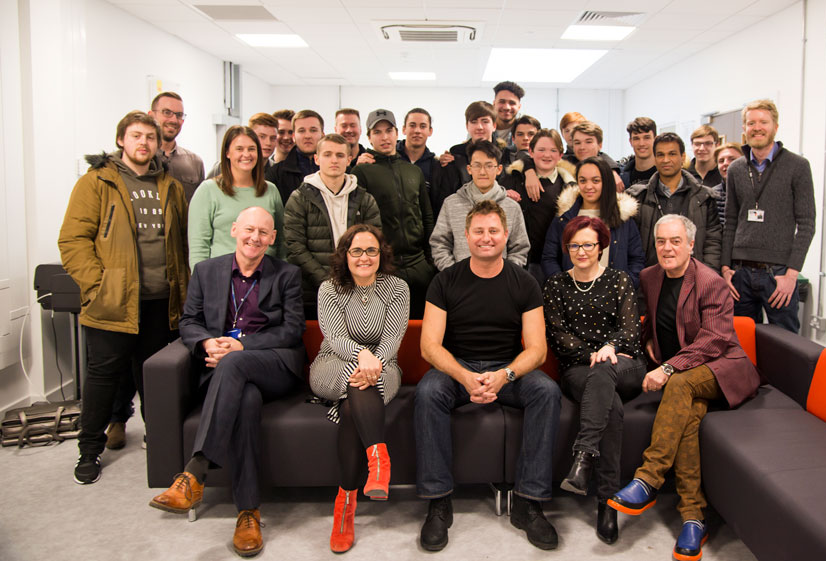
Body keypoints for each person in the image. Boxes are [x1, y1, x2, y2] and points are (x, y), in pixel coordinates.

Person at [149, 206, 305, 558]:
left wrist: (241, 345)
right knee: (246, 399)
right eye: (249, 229)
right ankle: (248, 512)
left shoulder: (287, 275)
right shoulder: (207, 271)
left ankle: (194, 473)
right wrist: (206, 342)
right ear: (235, 229)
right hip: (222, 368)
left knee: (236, 364)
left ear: (273, 239)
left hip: (274, 366)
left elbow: (292, 330)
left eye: (264, 233)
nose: (255, 238)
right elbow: (188, 320)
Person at [608, 214, 760, 561]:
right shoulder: (649, 276)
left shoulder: (710, 282)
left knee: (679, 384)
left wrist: (667, 366)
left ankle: (648, 479)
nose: (667, 248)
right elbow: (651, 318)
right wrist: (648, 342)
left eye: (676, 241)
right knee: (687, 418)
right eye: (661, 241)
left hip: (721, 367)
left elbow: (715, 339)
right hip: (684, 380)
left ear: (691, 245)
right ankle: (694, 517)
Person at [415, 200, 561, 551]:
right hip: (457, 367)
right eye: (478, 231)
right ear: (466, 236)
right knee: (427, 393)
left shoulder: (524, 282)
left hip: (507, 369)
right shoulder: (445, 281)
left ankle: (529, 502)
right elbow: (429, 346)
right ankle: (439, 502)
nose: (486, 237)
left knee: (547, 392)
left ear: (506, 235)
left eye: (493, 230)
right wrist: (464, 375)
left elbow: (537, 349)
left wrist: (505, 374)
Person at [59, 110, 189, 484]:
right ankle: (89, 450)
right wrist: (97, 285)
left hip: (160, 301)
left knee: (154, 377)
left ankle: (160, 441)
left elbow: (179, 243)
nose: (144, 143)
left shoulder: (170, 186)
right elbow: (73, 239)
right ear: (121, 140)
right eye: (136, 136)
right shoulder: (97, 182)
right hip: (112, 302)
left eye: (149, 137)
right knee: (103, 378)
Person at [543, 216, 645, 544]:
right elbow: (557, 334)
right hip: (577, 369)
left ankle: (584, 455)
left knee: (605, 371)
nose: (582, 251)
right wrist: (591, 354)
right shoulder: (556, 284)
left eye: (589, 244)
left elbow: (630, 332)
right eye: (575, 245)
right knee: (610, 406)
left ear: (601, 246)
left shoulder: (619, 280)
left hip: (624, 365)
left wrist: (607, 349)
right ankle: (607, 501)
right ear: (567, 248)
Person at [309, 225, 410, 553]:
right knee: (358, 384)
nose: (364, 257)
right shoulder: (329, 288)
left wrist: (374, 361)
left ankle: (345, 507)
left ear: (381, 255)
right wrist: (361, 356)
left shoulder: (397, 288)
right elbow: (334, 336)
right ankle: (378, 460)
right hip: (333, 363)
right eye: (357, 251)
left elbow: (393, 340)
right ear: (345, 255)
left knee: (354, 404)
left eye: (371, 251)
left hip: (385, 365)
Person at [721, 99, 816, 334]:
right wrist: (725, 268)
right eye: (751, 123)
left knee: (784, 344)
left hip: (779, 274)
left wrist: (792, 275)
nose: (757, 127)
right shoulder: (736, 169)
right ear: (744, 129)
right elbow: (730, 221)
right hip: (739, 273)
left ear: (775, 126)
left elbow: (806, 224)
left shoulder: (798, 166)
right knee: (741, 343)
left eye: (763, 122)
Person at [283, 134, 381, 318]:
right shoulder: (299, 198)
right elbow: (294, 248)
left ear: (349, 159)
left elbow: (374, 245)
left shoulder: (365, 199)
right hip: (313, 291)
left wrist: (354, 281)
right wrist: (327, 283)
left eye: (340, 155)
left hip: (358, 289)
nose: (334, 160)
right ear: (317, 158)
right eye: (327, 154)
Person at [351, 109, 435, 319]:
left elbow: (426, 216)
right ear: (369, 137)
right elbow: (356, 222)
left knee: (421, 328)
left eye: (389, 130)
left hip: (419, 264)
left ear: (397, 133)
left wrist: (429, 260)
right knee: (388, 329)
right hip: (386, 266)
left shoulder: (413, 171)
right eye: (377, 132)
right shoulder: (361, 172)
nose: (384, 137)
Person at [188, 126, 284, 270]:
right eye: (239, 149)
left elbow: (281, 242)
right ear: (227, 152)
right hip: (220, 277)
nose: (246, 154)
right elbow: (199, 246)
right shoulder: (208, 190)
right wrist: (202, 283)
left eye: (251, 149)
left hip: (265, 278)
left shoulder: (270, 190)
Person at [542, 158, 644, 288]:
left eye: (596, 181)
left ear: (606, 182)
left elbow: (636, 260)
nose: (588, 186)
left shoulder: (623, 218)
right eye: (583, 181)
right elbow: (549, 258)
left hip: (614, 299)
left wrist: (624, 286)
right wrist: (563, 286)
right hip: (572, 298)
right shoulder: (564, 218)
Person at [430, 139, 529, 271]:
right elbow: (439, 244)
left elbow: (519, 248)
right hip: (459, 283)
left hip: (500, 284)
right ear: (469, 169)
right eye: (477, 165)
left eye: (489, 166)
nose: (482, 172)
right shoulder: (451, 203)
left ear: (499, 169)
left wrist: (505, 276)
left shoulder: (511, 207)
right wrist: (453, 273)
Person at [627, 132, 722, 270]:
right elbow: (631, 246)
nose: (666, 160)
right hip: (650, 280)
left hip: (694, 278)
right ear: (654, 158)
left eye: (672, 154)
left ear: (682, 157)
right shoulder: (638, 198)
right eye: (660, 155)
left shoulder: (704, 197)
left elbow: (713, 242)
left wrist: (707, 276)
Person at [504, 129, 577, 283]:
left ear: (560, 155)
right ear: (530, 152)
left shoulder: (569, 188)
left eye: (553, 150)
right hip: (519, 260)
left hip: (555, 263)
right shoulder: (514, 179)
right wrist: (504, 195)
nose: (547, 155)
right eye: (541, 150)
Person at [148, 91, 205, 202]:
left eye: (179, 115)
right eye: (167, 112)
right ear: (151, 116)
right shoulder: (141, 159)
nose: (174, 120)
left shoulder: (195, 162)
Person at [266, 109, 324, 205]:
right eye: (301, 131)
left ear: (322, 134)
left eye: (313, 130)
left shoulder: (338, 169)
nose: (307, 135)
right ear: (294, 136)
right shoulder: (276, 174)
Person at [570, 121, 625, 192]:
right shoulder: (565, 166)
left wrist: (610, 172)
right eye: (577, 143)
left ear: (600, 145)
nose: (582, 147)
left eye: (588, 142)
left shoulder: (615, 176)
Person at [620, 117, 658, 188]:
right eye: (636, 138)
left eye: (647, 137)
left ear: (655, 140)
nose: (641, 144)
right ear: (630, 141)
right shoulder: (621, 176)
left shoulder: (664, 173)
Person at [711, 143, 743, 224]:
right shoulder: (711, 194)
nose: (725, 163)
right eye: (721, 161)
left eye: (732, 159)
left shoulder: (754, 192)